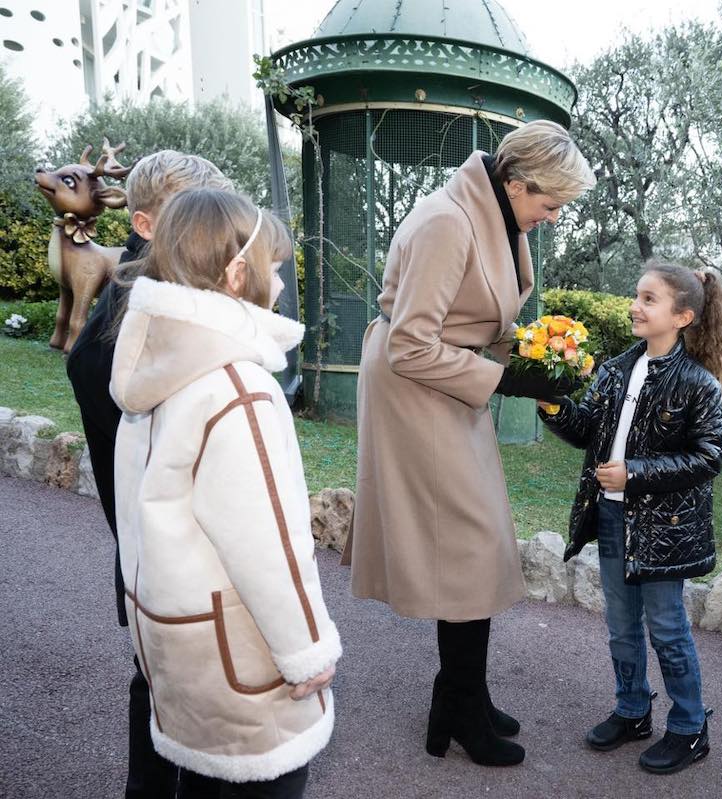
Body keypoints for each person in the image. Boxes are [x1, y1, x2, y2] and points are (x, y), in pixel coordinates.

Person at [344, 120, 595, 768]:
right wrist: (504, 375)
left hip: (451, 384)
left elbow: (477, 317)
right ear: (516, 182)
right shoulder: (446, 223)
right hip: (414, 391)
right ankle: (457, 703)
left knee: (474, 544)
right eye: (550, 202)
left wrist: (541, 358)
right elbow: (409, 344)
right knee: (467, 542)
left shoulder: (497, 215)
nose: (553, 214)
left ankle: (462, 696)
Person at [108, 188, 341, 796]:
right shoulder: (236, 386)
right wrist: (308, 652)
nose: (282, 284)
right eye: (275, 269)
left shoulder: (162, 369)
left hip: (179, 638)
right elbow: (268, 541)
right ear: (239, 274)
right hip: (241, 650)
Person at [63, 150, 233, 799]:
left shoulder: (169, 292)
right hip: (169, 543)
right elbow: (88, 368)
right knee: (186, 695)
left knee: (172, 687)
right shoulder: (137, 309)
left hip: (168, 543)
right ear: (144, 221)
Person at [539, 260, 722, 775]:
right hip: (609, 519)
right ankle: (632, 711)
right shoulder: (615, 368)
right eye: (637, 295)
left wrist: (636, 473)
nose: (635, 305)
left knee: (668, 631)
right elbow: (586, 429)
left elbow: (709, 456)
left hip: (665, 533)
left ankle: (690, 727)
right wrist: (552, 404)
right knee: (622, 628)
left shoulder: (698, 384)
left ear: (684, 316)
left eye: (650, 299)